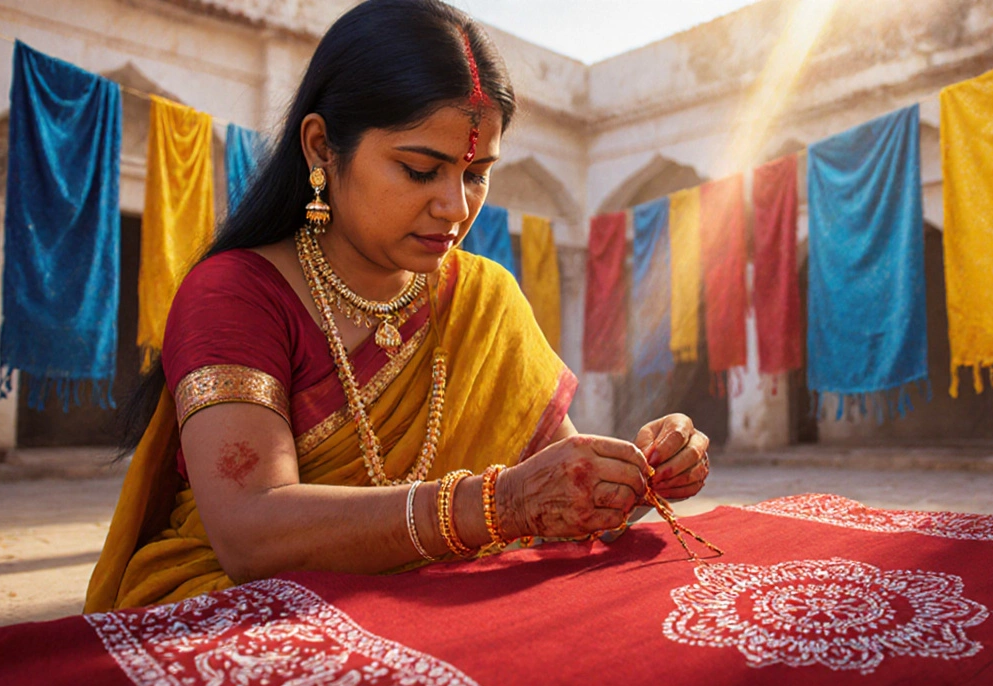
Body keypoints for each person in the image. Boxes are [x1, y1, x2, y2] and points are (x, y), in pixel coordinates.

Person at [85, 0, 711, 613]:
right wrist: (498, 505)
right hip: (249, 609)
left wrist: (629, 476)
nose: (456, 208)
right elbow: (250, 533)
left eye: (474, 174)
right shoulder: (234, 296)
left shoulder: (483, 295)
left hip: (446, 599)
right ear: (321, 149)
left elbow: (554, 493)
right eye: (419, 170)